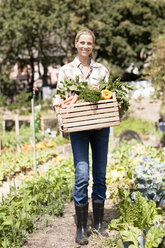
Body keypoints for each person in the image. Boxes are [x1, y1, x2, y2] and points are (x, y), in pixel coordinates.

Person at [53, 28, 110, 245]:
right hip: (78, 127)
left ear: (93, 46)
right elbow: (58, 97)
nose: (86, 46)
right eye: (82, 42)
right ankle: (82, 228)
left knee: (100, 174)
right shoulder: (66, 70)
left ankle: (98, 225)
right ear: (76, 43)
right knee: (82, 174)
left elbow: (108, 97)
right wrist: (59, 108)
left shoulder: (102, 70)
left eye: (89, 43)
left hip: (101, 127)